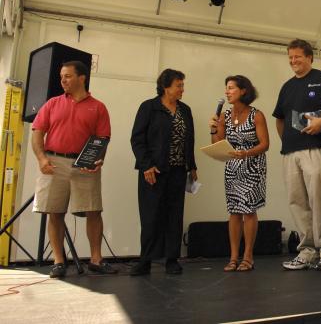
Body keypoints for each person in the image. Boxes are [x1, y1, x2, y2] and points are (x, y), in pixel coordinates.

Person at [31, 61, 117, 278]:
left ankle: (96, 259)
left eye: (68, 76)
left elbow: (102, 138)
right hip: (54, 163)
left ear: (82, 78)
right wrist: (41, 159)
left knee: (93, 211)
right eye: (62, 76)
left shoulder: (98, 107)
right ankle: (59, 262)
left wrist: (99, 159)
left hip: (84, 165)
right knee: (55, 212)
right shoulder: (52, 103)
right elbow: (37, 133)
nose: (63, 80)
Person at [272, 39, 321, 271]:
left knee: (319, 199)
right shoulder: (287, 86)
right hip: (290, 152)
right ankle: (307, 251)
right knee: (297, 202)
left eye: (297, 57)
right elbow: (280, 119)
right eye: (290, 57)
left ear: (309, 57)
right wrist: (289, 140)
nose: (293, 61)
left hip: (316, 149)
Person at [129, 69, 198, 276]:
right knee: (151, 216)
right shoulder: (149, 107)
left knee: (174, 215)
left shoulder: (185, 110)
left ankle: (172, 259)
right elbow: (137, 139)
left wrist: (192, 166)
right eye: (179, 85)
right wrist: (146, 165)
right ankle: (146, 260)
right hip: (154, 171)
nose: (182, 89)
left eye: (182, 85)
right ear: (166, 87)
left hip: (177, 171)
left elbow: (190, 140)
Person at [210, 75, 270, 272]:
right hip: (233, 167)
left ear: (243, 90)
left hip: (253, 165)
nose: (227, 92)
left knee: (248, 210)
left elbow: (264, 144)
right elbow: (218, 143)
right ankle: (234, 257)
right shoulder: (225, 116)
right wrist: (214, 128)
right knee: (234, 211)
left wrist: (246, 153)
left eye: (231, 88)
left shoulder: (256, 115)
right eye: (226, 88)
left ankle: (248, 256)